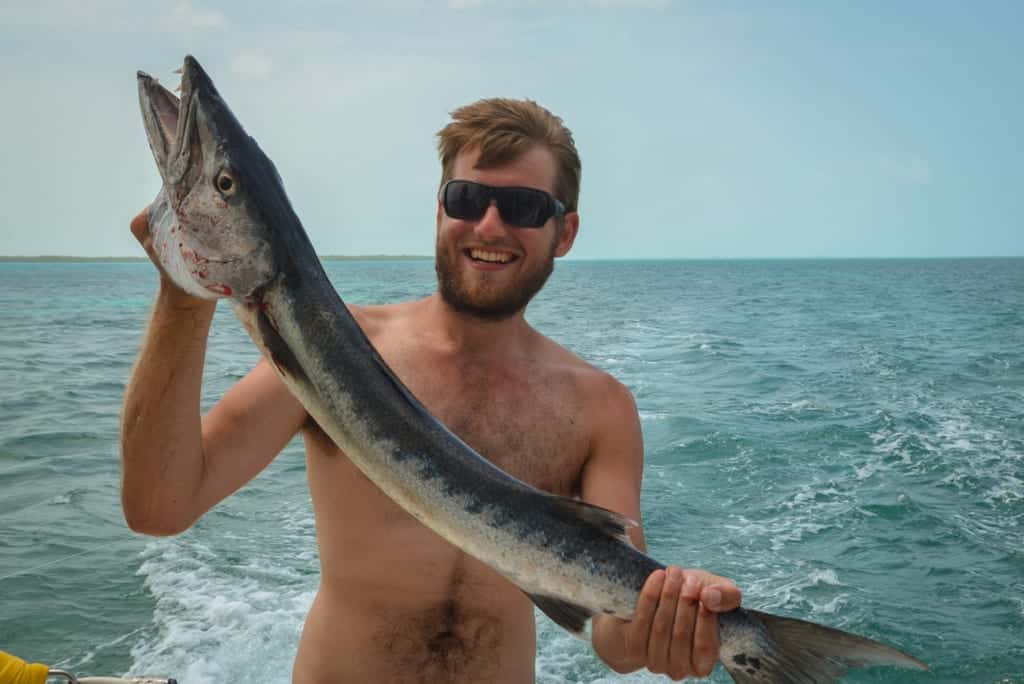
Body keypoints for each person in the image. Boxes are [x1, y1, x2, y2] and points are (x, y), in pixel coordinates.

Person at [121, 98, 742, 683]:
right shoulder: (335, 349)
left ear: (566, 231)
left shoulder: (601, 407)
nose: (490, 225)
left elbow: (612, 631)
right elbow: (159, 509)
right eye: (467, 198)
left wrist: (670, 626)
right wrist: (182, 295)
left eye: (524, 207)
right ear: (440, 210)